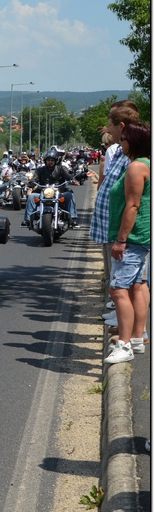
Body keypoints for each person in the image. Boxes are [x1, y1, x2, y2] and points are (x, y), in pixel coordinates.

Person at [104, 121, 151, 364]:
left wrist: (121, 240)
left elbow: (133, 205)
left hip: (132, 239)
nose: (118, 143)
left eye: (122, 139)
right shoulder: (142, 165)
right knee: (136, 285)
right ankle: (135, 338)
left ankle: (124, 345)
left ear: (132, 142)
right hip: (138, 238)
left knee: (118, 289)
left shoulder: (136, 168)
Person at [91, 100, 140, 291]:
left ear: (121, 126)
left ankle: (118, 314)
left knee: (123, 285)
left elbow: (132, 201)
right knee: (114, 278)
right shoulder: (120, 151)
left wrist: (121, 238)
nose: (107, 131)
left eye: (110, 126)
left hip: (118, 226)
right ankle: (114, 308)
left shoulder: (131, 157)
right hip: (109, 225)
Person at [23, 148, 79, 228]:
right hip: (43, 191)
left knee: (69, 195)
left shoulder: (61, 169)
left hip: (59, 191)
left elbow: (68, 176)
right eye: (48, 160)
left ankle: (73, 218)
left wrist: (73, 180)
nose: (50, 162)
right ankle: (27, 219)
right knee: (31, 196)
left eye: (52, 160)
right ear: (45, 161)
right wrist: (30, 185)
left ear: (56, 161)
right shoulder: (40, 170)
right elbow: (35, 179)